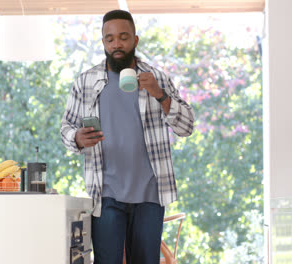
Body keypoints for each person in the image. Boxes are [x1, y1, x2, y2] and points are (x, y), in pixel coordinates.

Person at [60, 9, 195, 264]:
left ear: (135, 40)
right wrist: (77, 137)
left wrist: (160, 95)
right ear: (103, 43)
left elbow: (186, 126)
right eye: (109, 39)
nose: (116, 44)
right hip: (106, 194)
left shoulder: (158, 79)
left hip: (150, 195)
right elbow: (66, 127)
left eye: (123, 37)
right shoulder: (86, 82)